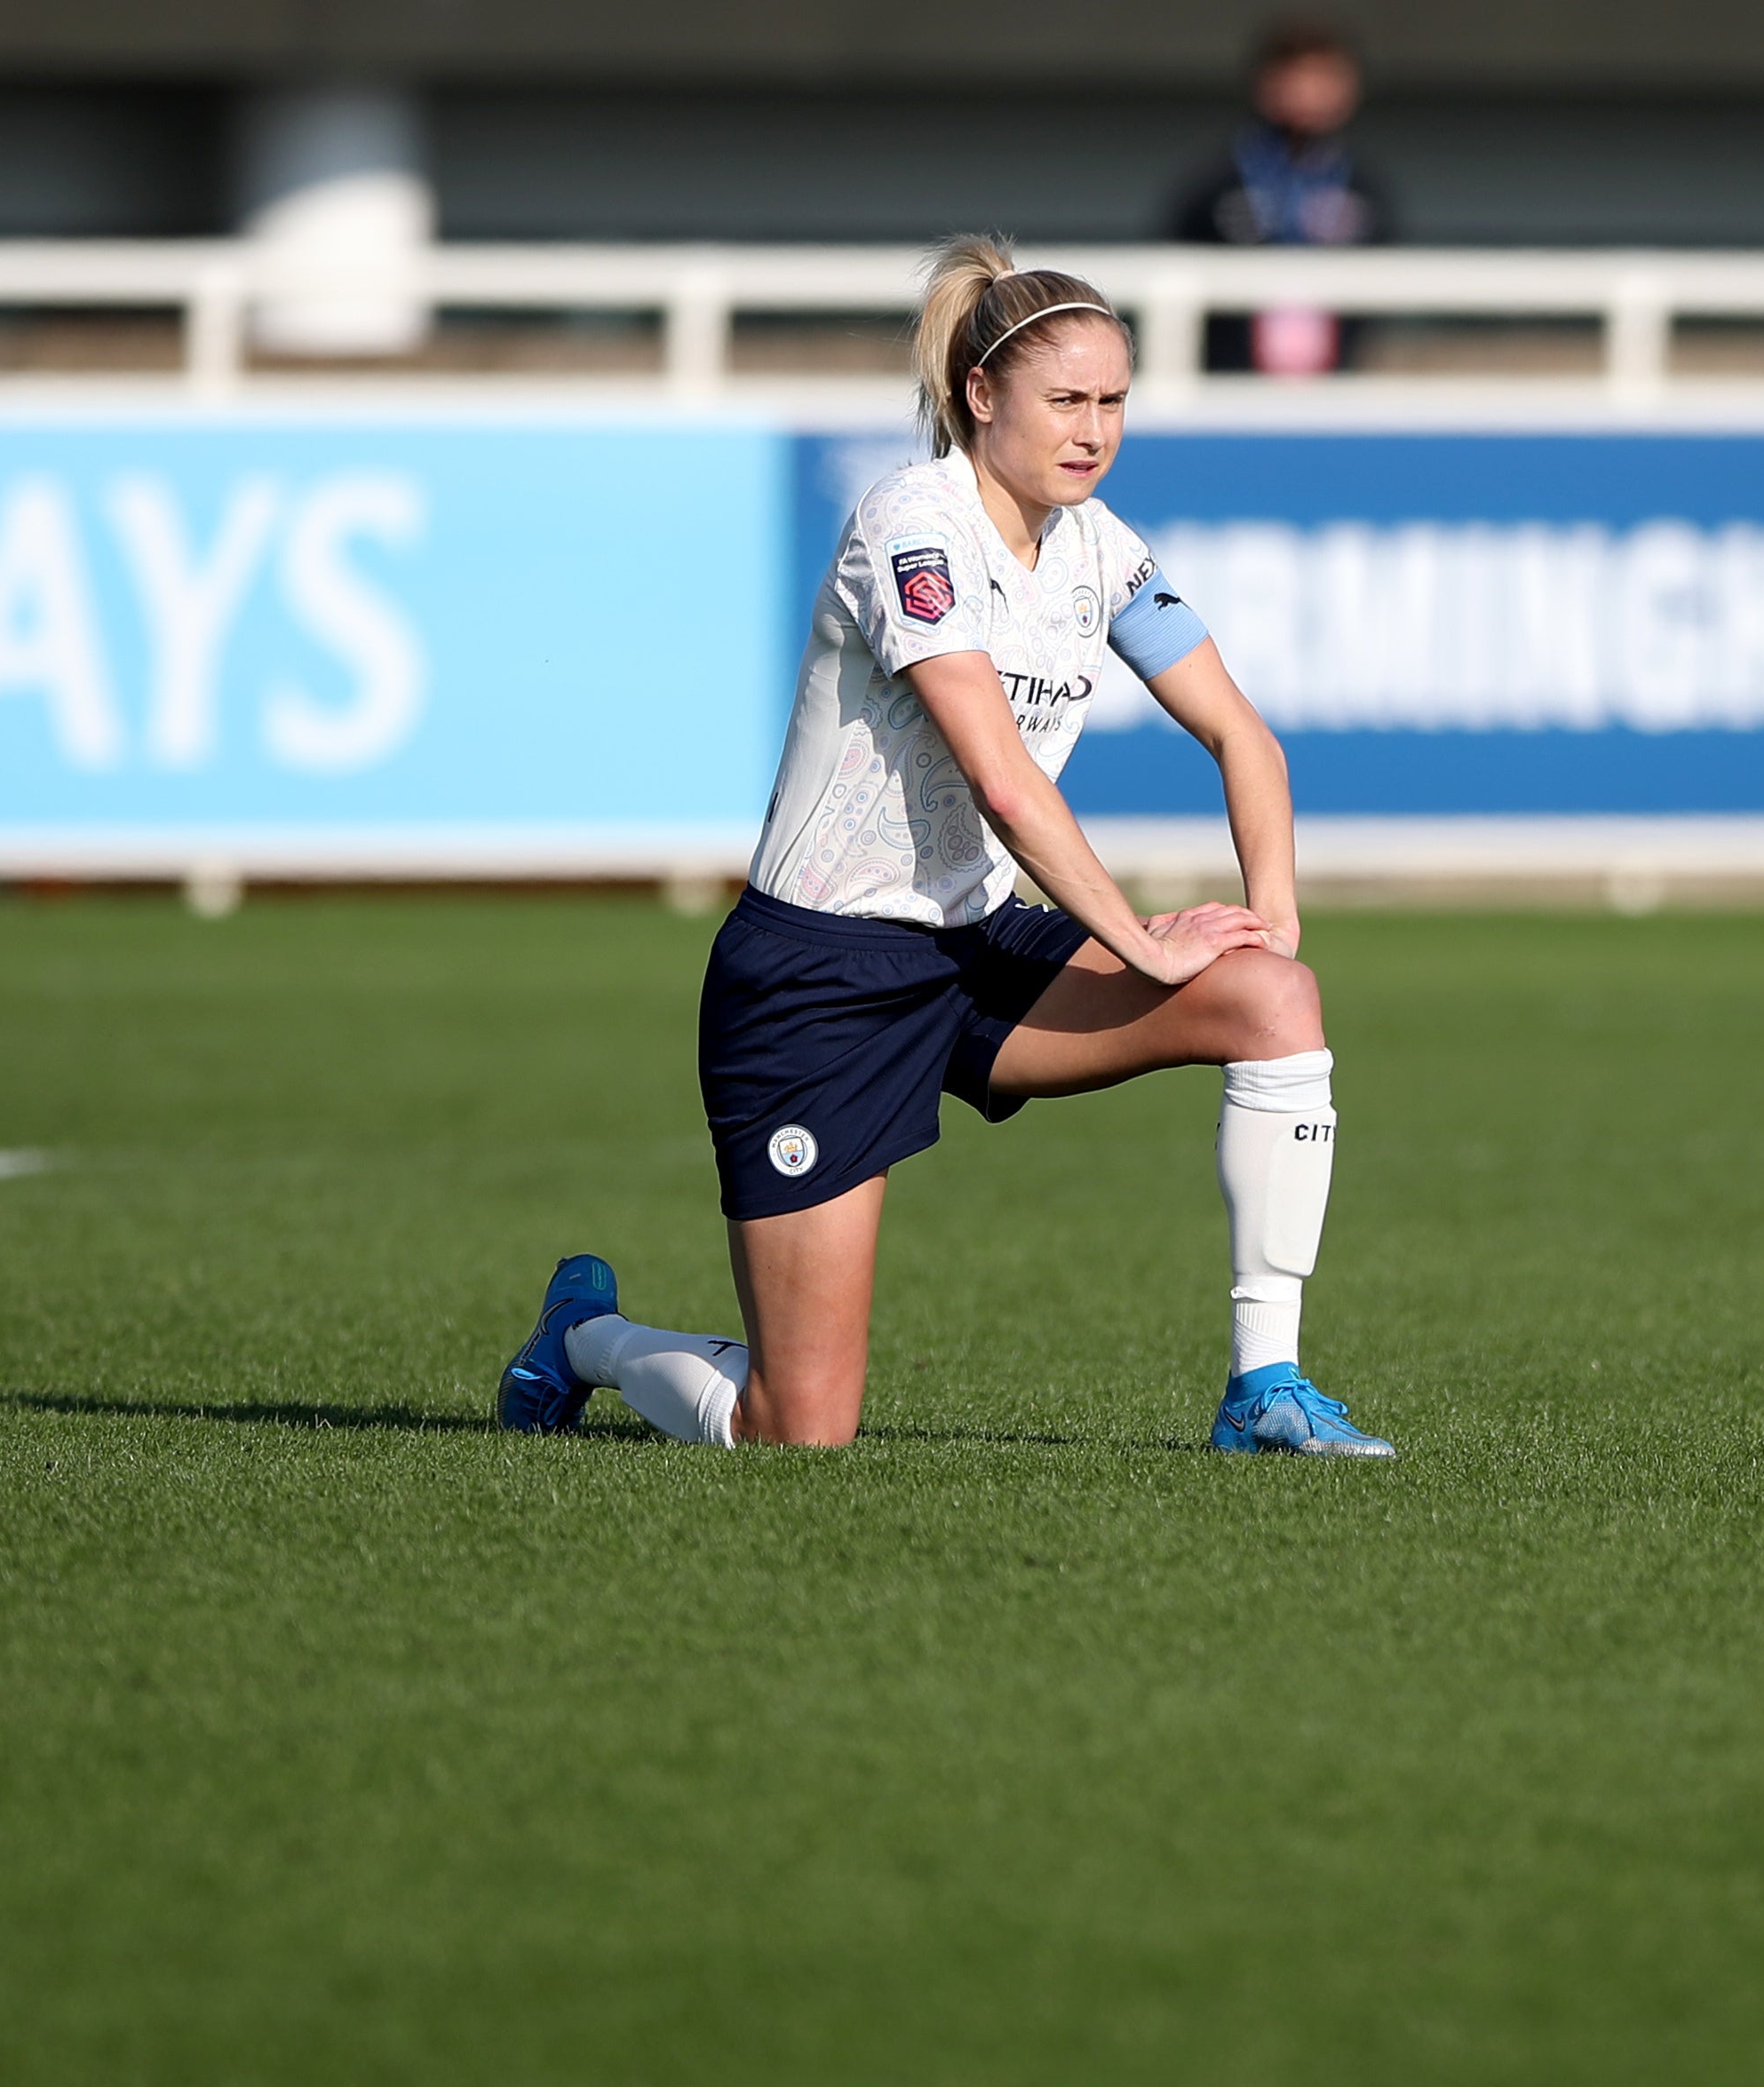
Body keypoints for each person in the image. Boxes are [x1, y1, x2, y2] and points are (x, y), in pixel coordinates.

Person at [494, 236, 1393, 1459]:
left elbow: (1247, 739)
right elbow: (1004, 782)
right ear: (982, 397)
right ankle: (584, 1339)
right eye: (1066, 400)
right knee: (796, 1430)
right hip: (821, 975)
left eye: (1114, 401)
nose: (1095, 429)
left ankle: (1267, 1388)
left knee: (1274, 996)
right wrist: (1138, 941)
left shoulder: (1098, 548)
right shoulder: (913, 524)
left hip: (967, 955)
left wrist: (1267, 919)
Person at [1167, 17, 1388, 377]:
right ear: (1265, 84)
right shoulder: (1219, 183)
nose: (1310, 92)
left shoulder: (1362, 188)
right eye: (1297, 77)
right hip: (1229, 381)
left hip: (1334, 384)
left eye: (1326, 78)